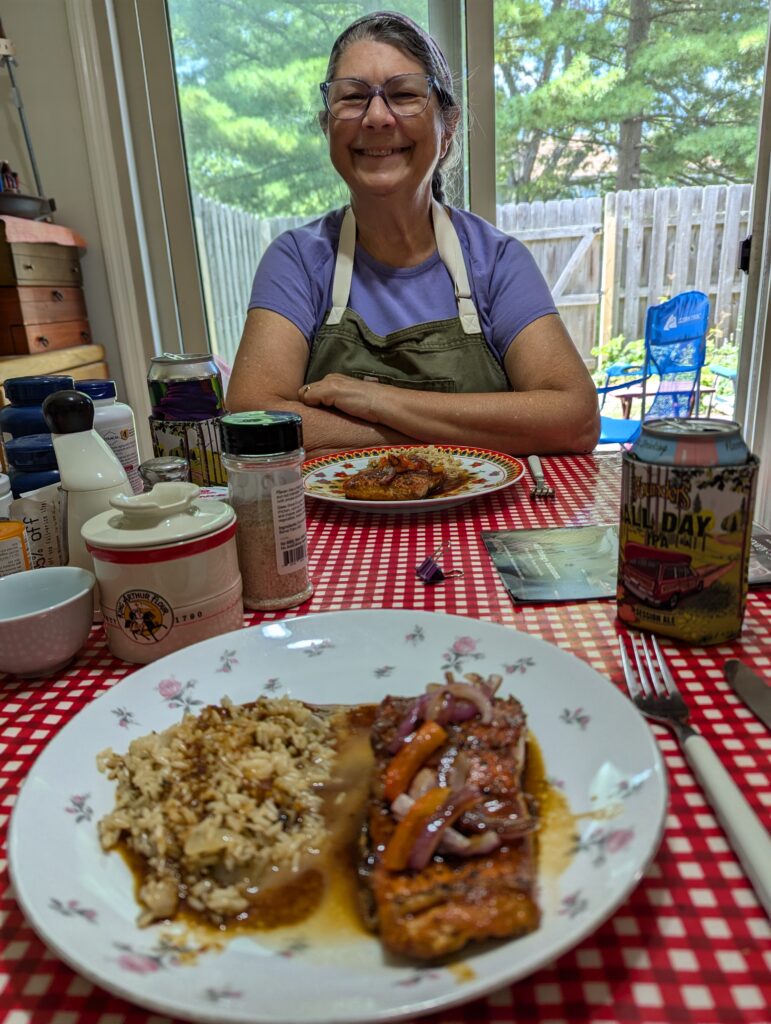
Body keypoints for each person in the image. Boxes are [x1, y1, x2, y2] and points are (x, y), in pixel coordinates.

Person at [226, 11, 600, 457]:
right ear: (328, 126)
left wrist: (376, 399)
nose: (377, 117)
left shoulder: (497, 262)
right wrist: (450, 431)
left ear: (448, 128)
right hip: (339, 527)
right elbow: (252, 416)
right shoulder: (297, 261)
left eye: (404, 94)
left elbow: (574, 418)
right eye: (353, 97)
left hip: (480, 526)